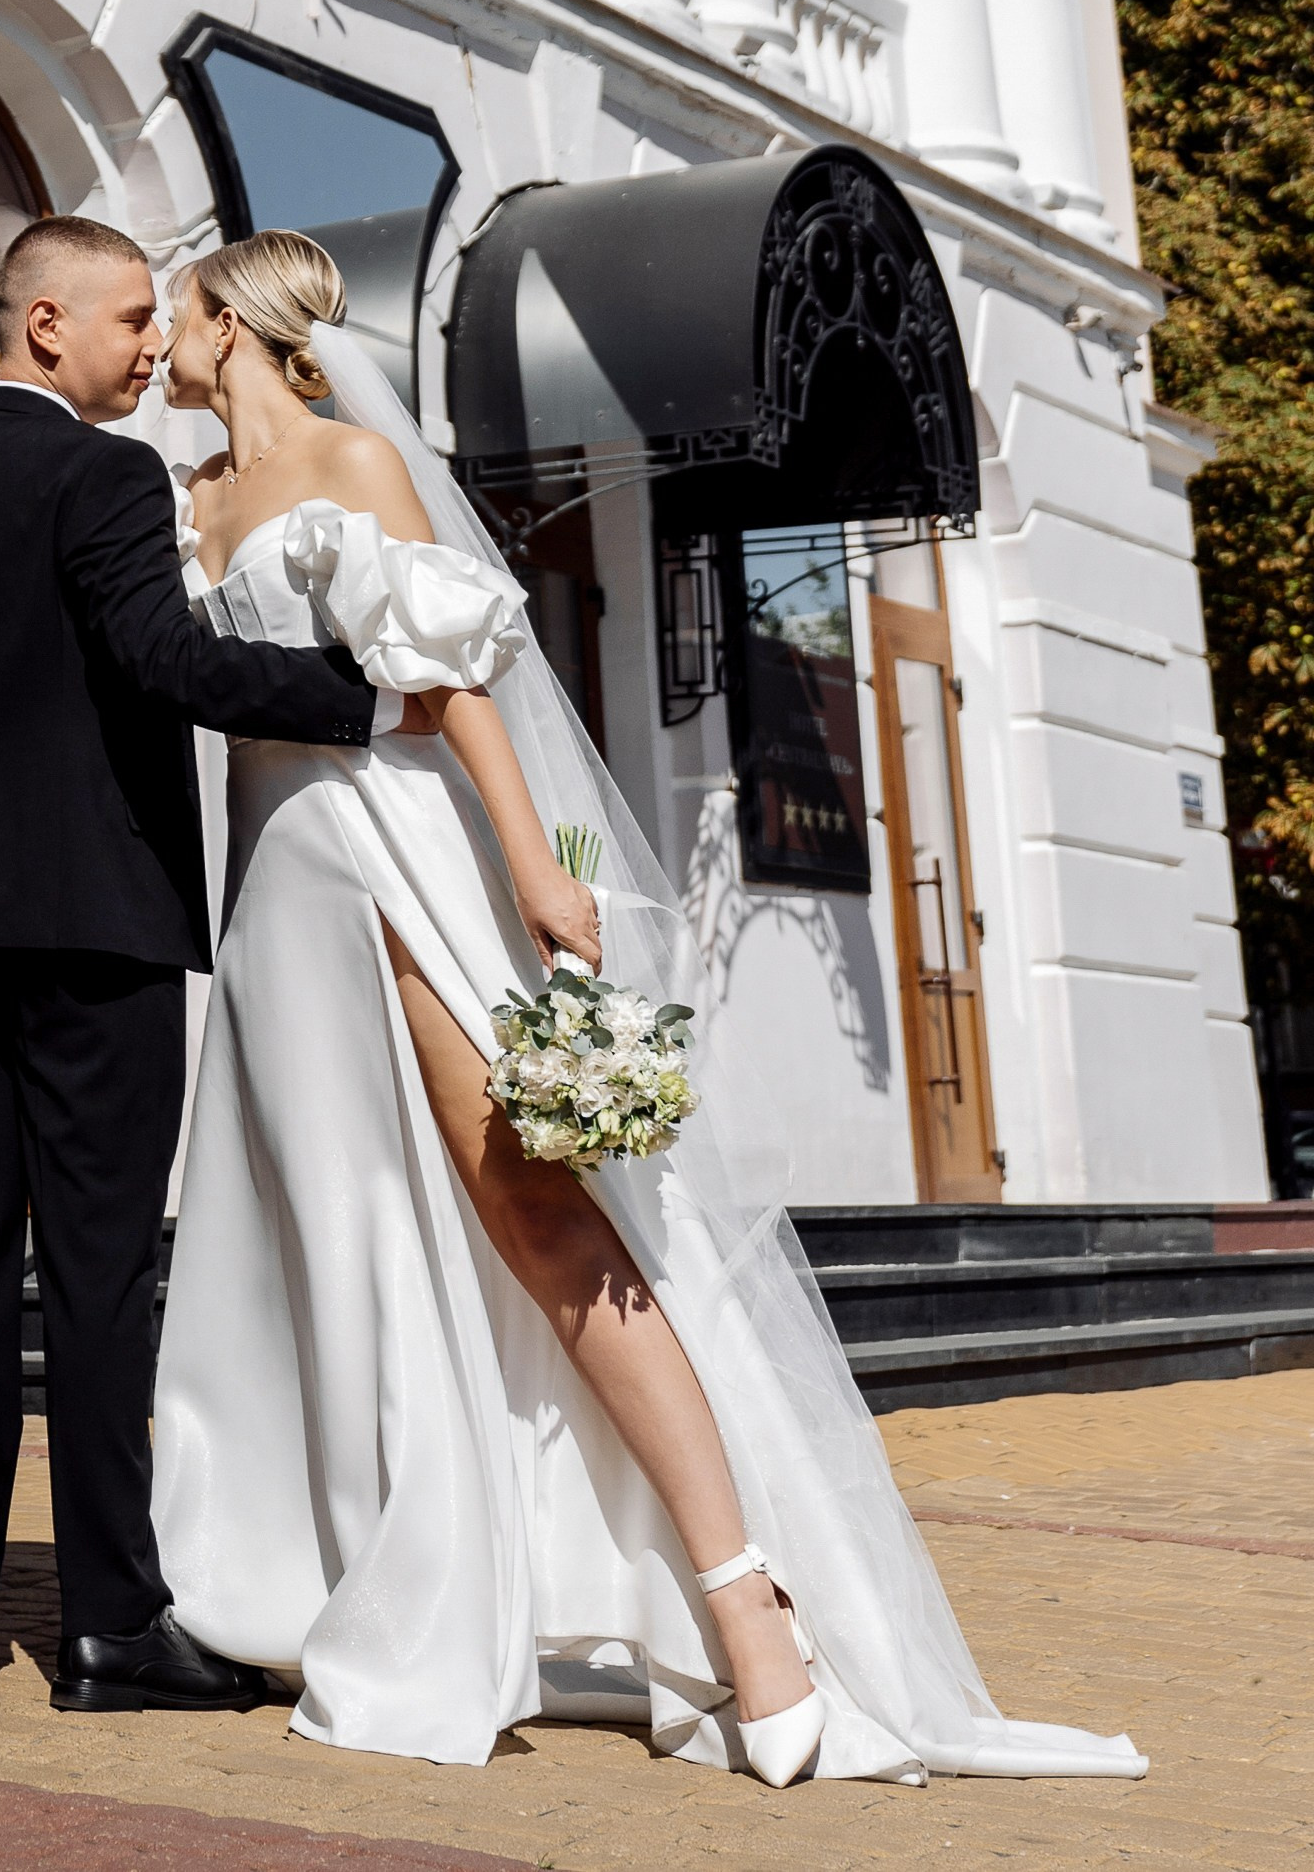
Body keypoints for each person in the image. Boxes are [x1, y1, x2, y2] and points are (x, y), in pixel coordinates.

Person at [153, 227, 1149, 1789]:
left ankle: (750, 1603)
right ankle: (404, 1588)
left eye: (174, 312)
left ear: (227, 321)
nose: (156, 340)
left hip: (395, 851)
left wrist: (531, 877)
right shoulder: (187, 505)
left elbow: (456, 678)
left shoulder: (354, 456)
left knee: (540, 1217)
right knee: (332, 1237)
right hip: (269, 891)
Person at [0, 212, 409, 1717]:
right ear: (46, 328)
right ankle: (106, 1628)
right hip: (94, 927)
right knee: (98, 1275)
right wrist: (362, 691)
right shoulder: (107, 477)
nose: (153, 342)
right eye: (131, 317)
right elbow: (162, 659)